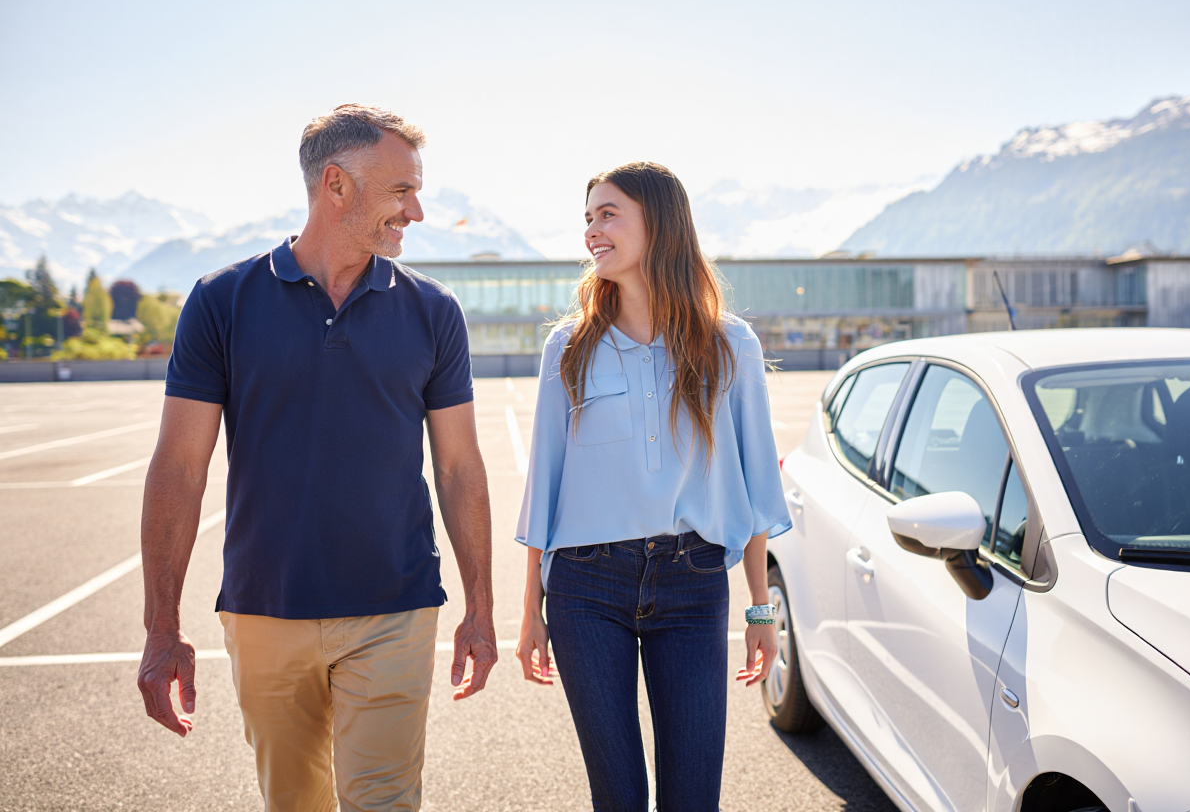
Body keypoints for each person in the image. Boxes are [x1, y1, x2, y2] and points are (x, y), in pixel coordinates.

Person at [137, 104, 497, 812]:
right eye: (401, 191)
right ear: (336, 184)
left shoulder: (434, 310)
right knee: (293, 803)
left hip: (395, 608)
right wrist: (161, 627)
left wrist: (481, 609)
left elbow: (459, 468)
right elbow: (179, 467)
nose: (416, 211)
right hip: (265, 610)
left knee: (385, 801)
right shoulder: (221, 301)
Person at [514, 161, 792, 811]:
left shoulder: (730, 344)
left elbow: (755, 488)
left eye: (608, 214)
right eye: (588, 218)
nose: (592, 230)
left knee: (693, 796)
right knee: (617, 797)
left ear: (659, 223)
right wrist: (530, 611)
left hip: (692, 582)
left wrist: (760, 610)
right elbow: (544, 486)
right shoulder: (568, 347)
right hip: (585, 588)